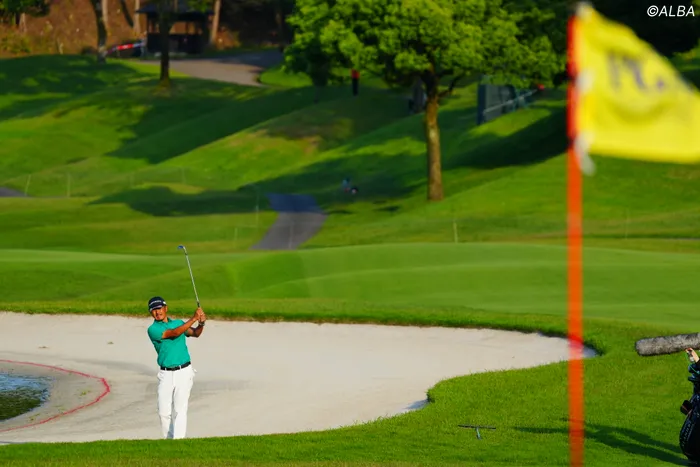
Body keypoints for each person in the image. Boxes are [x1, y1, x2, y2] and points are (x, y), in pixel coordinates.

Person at [146, 296, 206, 439]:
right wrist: (194, 318)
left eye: (159, 308)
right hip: (165, 374)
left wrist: (201, 323)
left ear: (165, 308)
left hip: (184, 371)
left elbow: (195, 333)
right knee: (163, 411)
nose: (157, 312)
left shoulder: (179, 323)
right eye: (154, 310)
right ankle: (169, 440)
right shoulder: (153, 329)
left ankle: (178, 441)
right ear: (151, 312)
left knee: (180, 409)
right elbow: (174, 333)